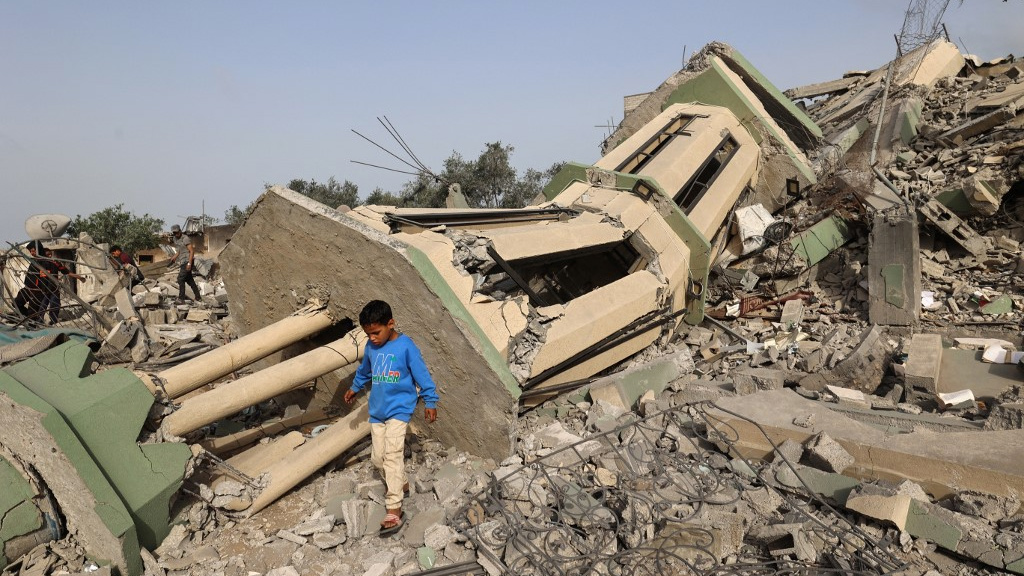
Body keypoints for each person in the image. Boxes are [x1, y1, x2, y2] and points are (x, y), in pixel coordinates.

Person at [343, 300, 439, 536]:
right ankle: (402, 482)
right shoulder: (371, 347)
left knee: (392, 456)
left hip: (399, 410)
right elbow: (365, 370)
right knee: (378, 460)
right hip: (378, 411)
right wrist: (355, 388)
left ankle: (394, 507)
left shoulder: (406, 347)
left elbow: (421, 374)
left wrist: (430, 400)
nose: (373, 338)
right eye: (368, 334)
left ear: (391, 324)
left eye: (376, 332)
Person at [40, 248, 83, 325]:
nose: (49, 256)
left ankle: (53, 322)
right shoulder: (39, 264)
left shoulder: (55, 263)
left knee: (55, 306)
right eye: (47, 255)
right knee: (41, 306)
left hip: (54, 289)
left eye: (50, 254)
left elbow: (67, 272)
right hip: (43, 290)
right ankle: (39, 322)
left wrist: (79, 277)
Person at [170, 224, 201, 304]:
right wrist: (174, 257)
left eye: (177, 232)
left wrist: (189, 264)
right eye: (174, 233)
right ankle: (198, 297)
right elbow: (179, 251)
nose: (176, 234)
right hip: (182, 261)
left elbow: (191, 251)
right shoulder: (175, 239)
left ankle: (181, 299)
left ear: (180, 231)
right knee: (189, 280)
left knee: (180, 279)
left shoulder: (185, 238)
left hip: (187, 261)